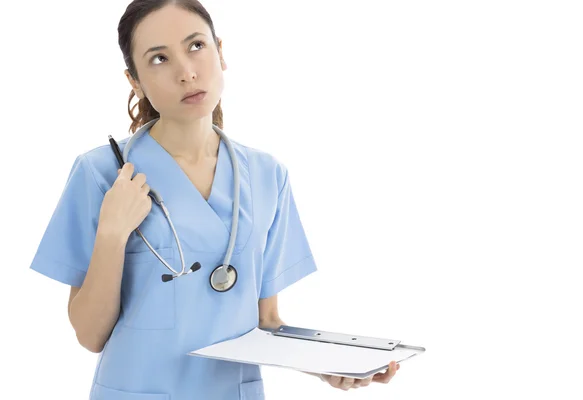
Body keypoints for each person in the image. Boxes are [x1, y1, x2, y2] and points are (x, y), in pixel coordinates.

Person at [29, 0, 400, 398]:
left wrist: (328, 366)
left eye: (196, 46)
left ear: (220, 52)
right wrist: (112, 233)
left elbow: (267, 322)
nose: (186, 71)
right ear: (134, 80)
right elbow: (89, 335)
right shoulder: (102, 174)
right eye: (159, 58)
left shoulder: (266, 175)